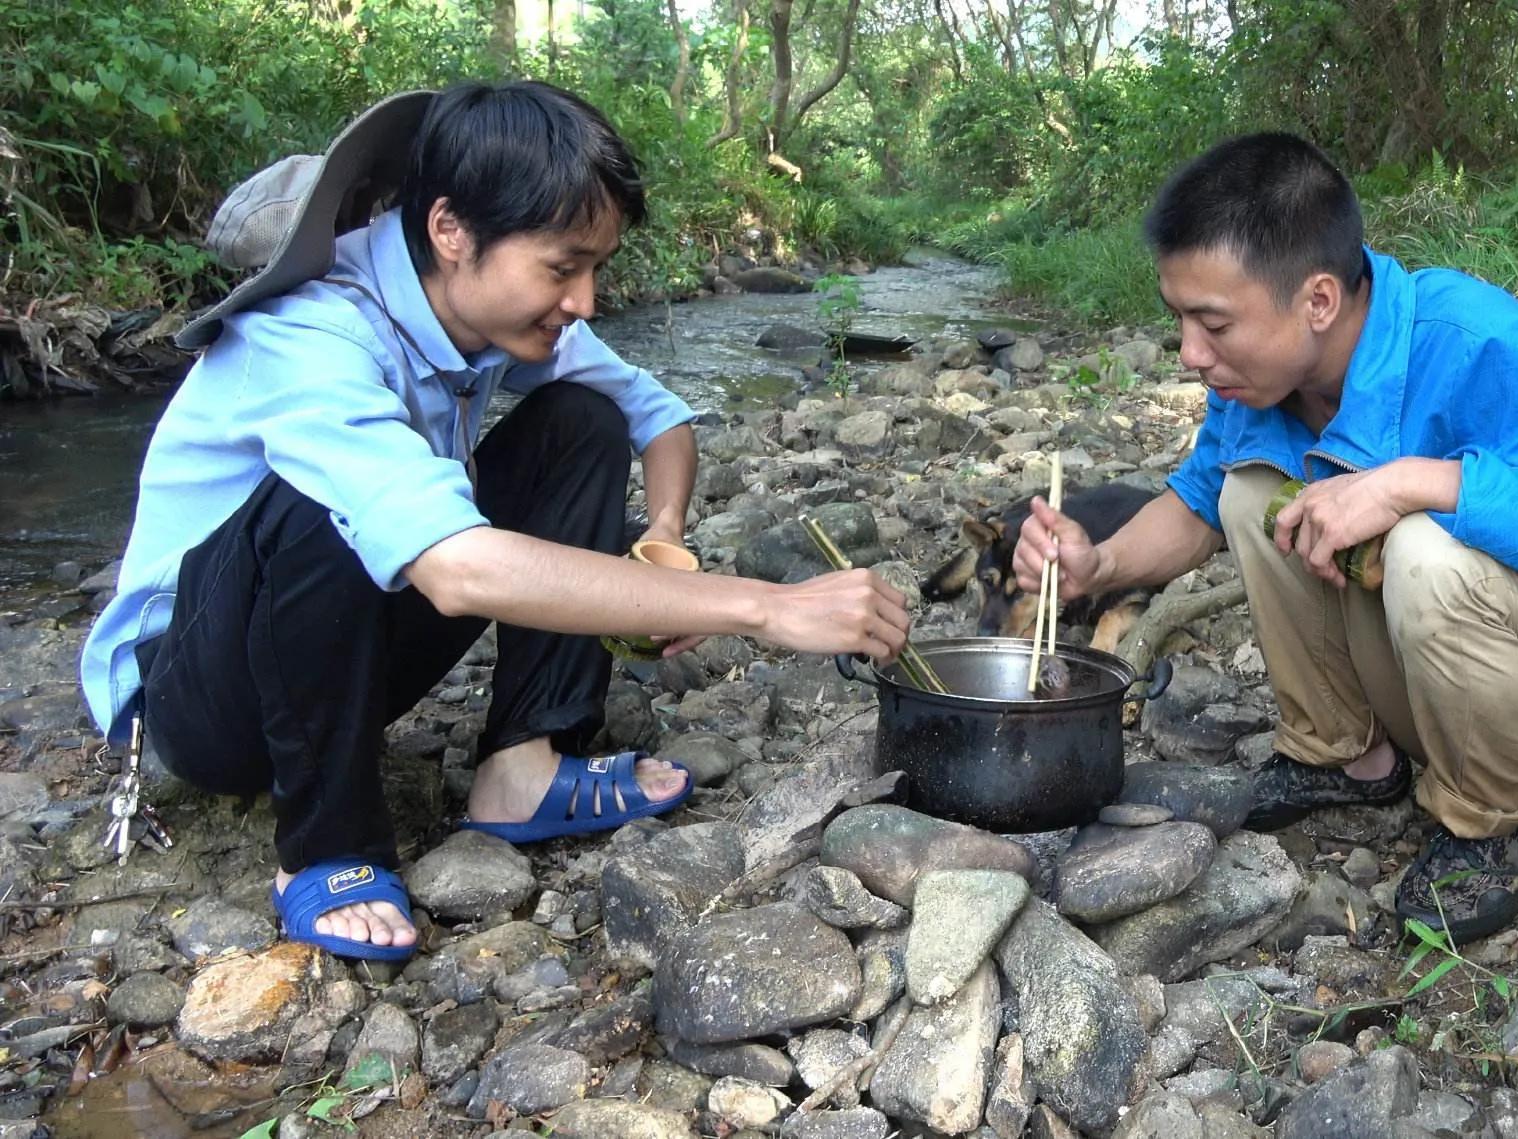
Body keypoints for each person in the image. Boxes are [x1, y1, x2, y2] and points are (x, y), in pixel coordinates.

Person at [79, 81, 910, 961]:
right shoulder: (311, 335)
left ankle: (525, 766)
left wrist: (667, 541)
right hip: (199, 699)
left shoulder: (495, 314)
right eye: (563, 268)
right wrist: (764, 606)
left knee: (583, 420)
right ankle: (325, 847)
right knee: (326, 502)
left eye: (597, 269)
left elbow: (656, 416)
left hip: (332, 651)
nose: (584, 300)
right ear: (451, 230)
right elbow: (457, 568)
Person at [1015, 133, 1518, 943]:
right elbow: (1198, 503)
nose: (1192, 355)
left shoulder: (1474, 342)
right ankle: (1345, 759)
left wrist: (1411, 481)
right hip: (1434, 688)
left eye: (1214, 324)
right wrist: (1100, 563)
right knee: (1251, 491)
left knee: (1425, 548)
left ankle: (1494, 823)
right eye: (1180, 321)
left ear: (1320, 301)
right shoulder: (1260, 379)